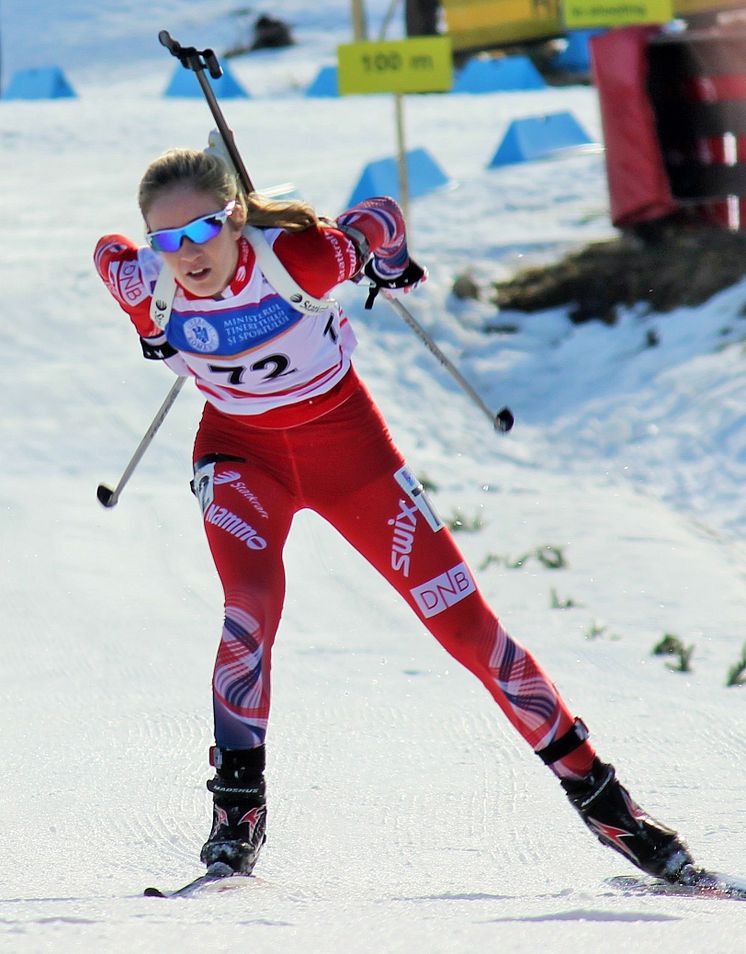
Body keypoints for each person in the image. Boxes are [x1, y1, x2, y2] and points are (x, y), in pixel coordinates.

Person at [95, 145, 694, 883]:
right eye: (166, 239)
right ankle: (235, 815)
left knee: (468, 628)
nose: (186, 255)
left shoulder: (302, 260)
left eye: (203, 230)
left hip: (349, 454)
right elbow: (107, 254)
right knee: (249, 607)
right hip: (240, 456)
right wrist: (149, 328)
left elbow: (377, 217)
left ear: (237, 216)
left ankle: (608, 807)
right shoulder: (144, 281)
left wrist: (392, 259)